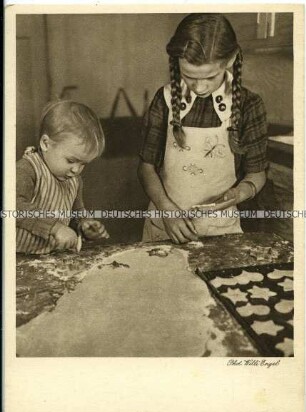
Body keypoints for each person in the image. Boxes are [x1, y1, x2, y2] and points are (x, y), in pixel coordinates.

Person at [138, 13, 268, 244]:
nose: (199, 87)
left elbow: (257, 173)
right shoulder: (165, 99)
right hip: (165, 228)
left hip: (221, 231)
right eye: (189, 76)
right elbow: (146, 168)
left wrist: (240, 193)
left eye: (209, 77)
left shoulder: (249, 105)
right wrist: (168, 211)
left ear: (230, 60)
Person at [16, 100, 109, 254]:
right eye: (71, 161)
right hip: (19, 259)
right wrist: (54, 227)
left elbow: (75, 212)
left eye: (83, 164)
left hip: (53, 258)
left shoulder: (74, 181)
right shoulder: (27, 169)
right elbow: (13, 206)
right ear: (46, 144)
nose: (76, 170)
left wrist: (84, 225)